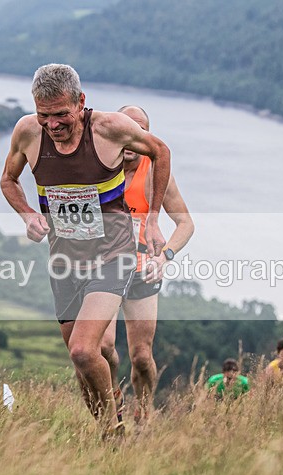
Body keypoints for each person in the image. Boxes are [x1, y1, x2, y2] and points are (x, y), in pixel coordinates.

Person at [0, 64, 171, 437]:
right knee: (83, 365)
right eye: (44, 114)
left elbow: (160, 151)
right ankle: (112, 429)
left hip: (114, 255)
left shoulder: (110, 129)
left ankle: (114, 432)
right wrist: (28, 214)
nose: (53, 124)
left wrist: (154, 217)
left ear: (80, 102)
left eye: (61, 114)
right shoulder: (28, 132)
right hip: (64, 262)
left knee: (82, 349)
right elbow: (8, 180)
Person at [99, 105, 194, 426]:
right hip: (105, 268)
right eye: (127, 129)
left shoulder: (156, 172)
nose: (131, 139)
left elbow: (185, 224)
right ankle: (115, 401)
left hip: (143, 269)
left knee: (141, 357)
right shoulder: (99, 168)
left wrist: (164, 256)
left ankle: (144, 408)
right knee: (103, 346)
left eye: (139, 132)